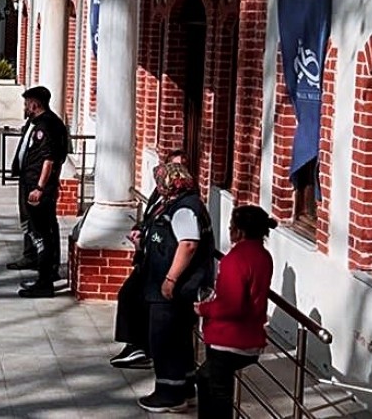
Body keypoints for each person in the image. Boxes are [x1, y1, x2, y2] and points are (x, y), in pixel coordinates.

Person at [138, 162, 215, 413]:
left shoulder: (185, 208)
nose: (157, 186)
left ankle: (169, 393)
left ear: (171, 183)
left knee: (164, 339)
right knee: (179, 339)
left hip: (175, 288)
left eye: (160, 181)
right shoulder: (178, 203)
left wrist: (170, 279)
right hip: (168, 284)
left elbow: (188, 244)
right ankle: (184, 387)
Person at [194, 206, 276, 418]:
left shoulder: (235, 260)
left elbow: (232, 305)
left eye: (231, 227)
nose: (229, 230)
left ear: (239, 231)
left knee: (217, 392)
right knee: (207, 379)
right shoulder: (263, 255)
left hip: (230, 338)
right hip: (249, 334)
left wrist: (203, 308)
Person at [111, 149, 188, 369]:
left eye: (181, 168)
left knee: (140, 300)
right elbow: (150, 219)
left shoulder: (184, 203)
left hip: (163, 263)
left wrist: (171, 277)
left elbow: (187, 243)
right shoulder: (159, 194)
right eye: (173, 167)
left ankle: (142, 348)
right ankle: (134, 345)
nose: (176, 172)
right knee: (129, 295)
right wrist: (139, 232)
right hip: (149, 257)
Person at [11, 86, 70, 298]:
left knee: (43, 233)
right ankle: (39, 268)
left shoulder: (49, 125)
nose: (25, 106)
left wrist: (40, 187)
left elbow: (50, 159)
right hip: (29, 182)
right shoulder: (35, 122)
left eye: (27, 102)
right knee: (35, 230)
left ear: (35, 103)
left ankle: (46, 280)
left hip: (39, 188)